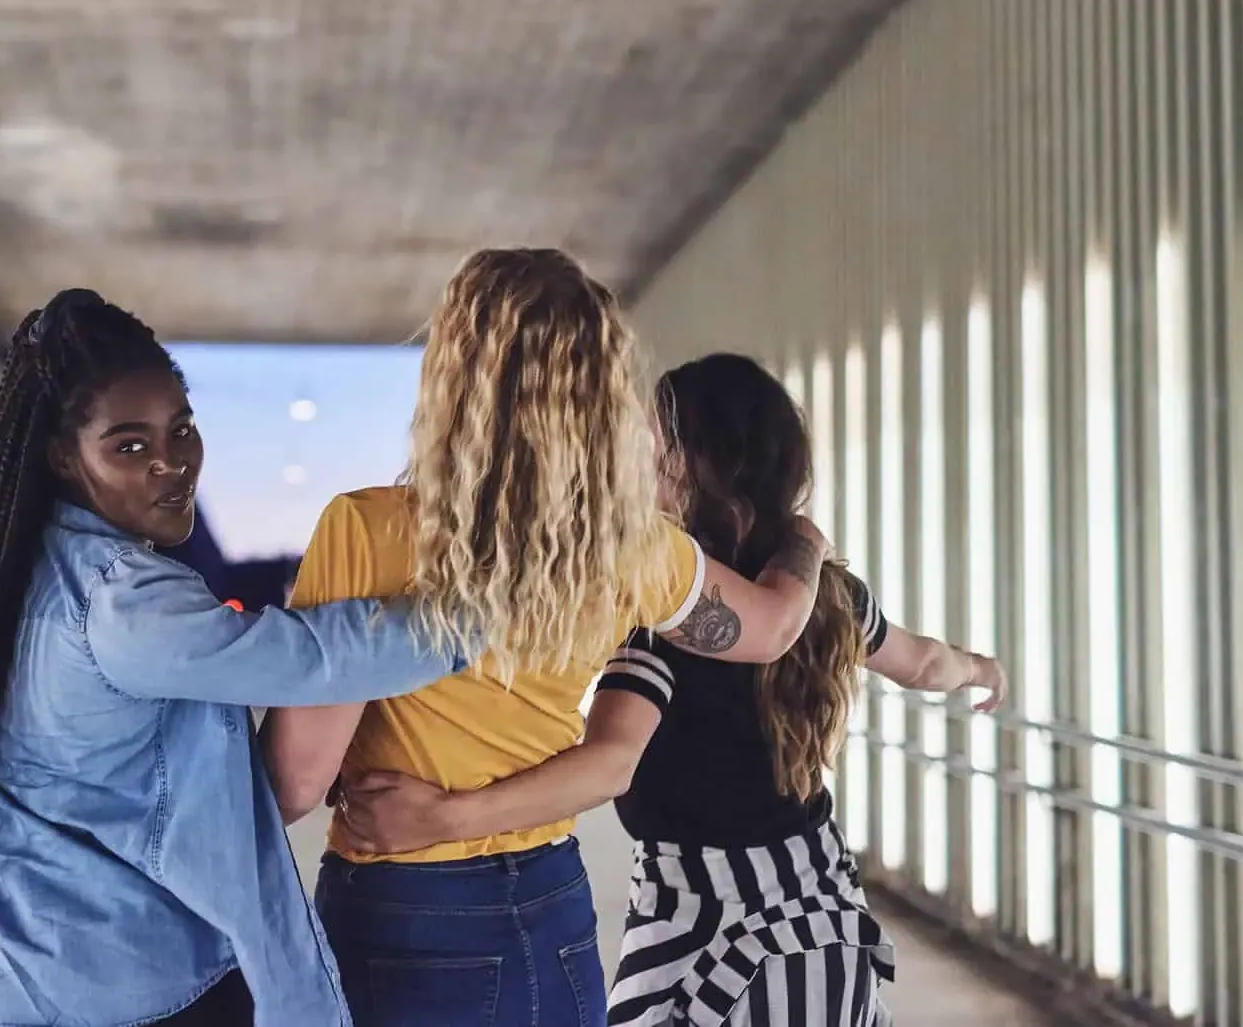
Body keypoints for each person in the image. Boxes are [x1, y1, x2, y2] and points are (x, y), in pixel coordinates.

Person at [0, 289, 476, 1027]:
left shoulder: (23, 571)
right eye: (130, 445)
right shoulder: (120, 601)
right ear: (62, 455)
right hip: (120, 994)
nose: (172, 464)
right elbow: (310, 657)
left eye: (182, 430)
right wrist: (487, 612)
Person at [336, 352, 1009, 1027]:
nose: (642, 460)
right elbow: (923, 663)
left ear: (695, 462)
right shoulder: (825, 595)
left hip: (721, 917)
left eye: (659, 443)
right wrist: (979, 668)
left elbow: (612, 759)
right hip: (787, 906)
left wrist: (445, 817)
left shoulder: (671, 608)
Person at [261, 252, 829, 1027]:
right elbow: (771, 627)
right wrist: (805, 537)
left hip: (407, 906)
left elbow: (295, 781)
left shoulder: (367, 531)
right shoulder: (636, 551)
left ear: (455, 379)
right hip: (553, 899)